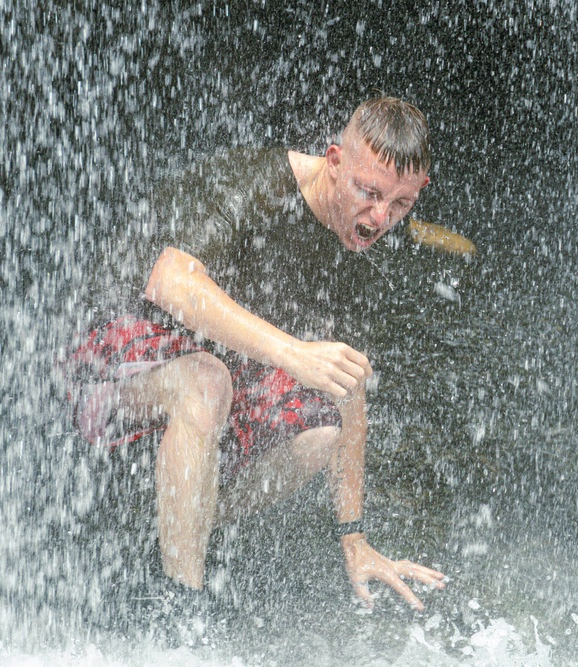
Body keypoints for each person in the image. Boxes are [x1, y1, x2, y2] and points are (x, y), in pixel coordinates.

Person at [63, 96, 446, 619]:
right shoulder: (256, 185)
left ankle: (163, 524)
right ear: (334, 161)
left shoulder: (365, 256)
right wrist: (293, 354)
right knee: (207, 380)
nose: (379, 217)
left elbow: (348, 386)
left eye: (400, 205)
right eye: (368, 192)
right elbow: (169, 281)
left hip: (211, 369)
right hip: (109, 370)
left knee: (320, 431)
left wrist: (354, 540)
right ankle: (179, 614)